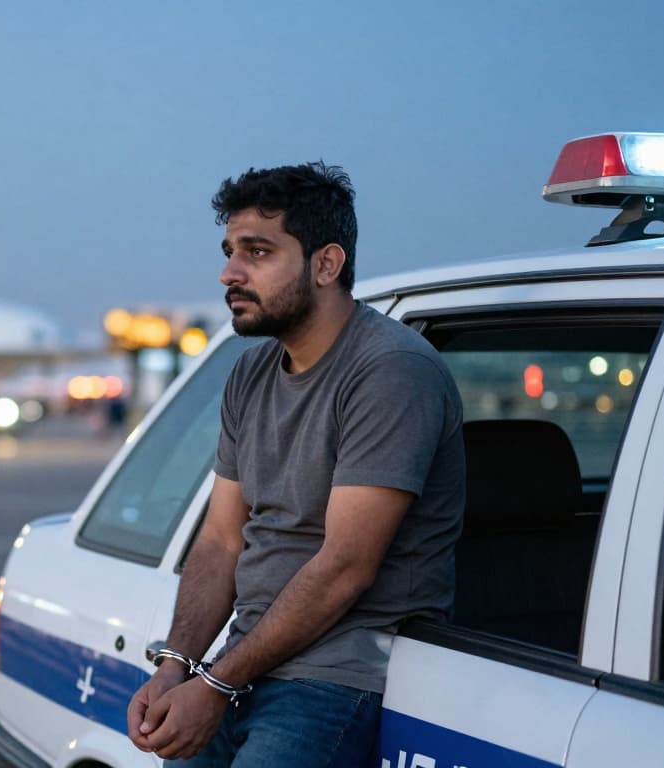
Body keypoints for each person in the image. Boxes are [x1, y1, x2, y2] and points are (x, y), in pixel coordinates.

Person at [127, 162, 465, 767]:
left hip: (336, 675)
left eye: (257, 252)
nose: (230, 272)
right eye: (230, 251)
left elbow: (344, 567)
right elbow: (221, 540)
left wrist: (215, 683)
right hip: (242, 664)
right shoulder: (249, 373)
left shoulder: (389, 371)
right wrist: (177, 669)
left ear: (326, 264)